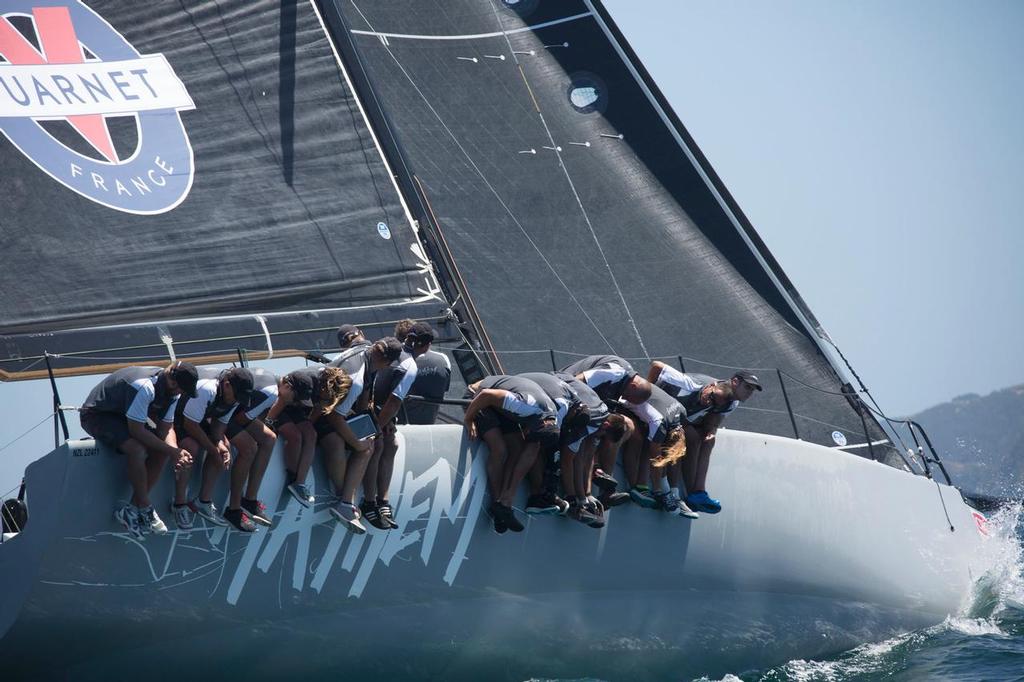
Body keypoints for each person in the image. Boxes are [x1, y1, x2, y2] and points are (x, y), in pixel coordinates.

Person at [79, 362, 198, 539]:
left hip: (123, 416)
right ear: (173, 382)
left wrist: (175, 451)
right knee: (137, 450)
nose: (182, 393)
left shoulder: (173, 392)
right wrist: (174, 452)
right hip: (98, 415)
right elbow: (136, 431)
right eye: (182, 389)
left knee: (162, 451)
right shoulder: (144, 386)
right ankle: (144, 505)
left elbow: (166, 428)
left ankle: (132, 509)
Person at [648, 362, 762, 513]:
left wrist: (711, 431)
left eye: (752, 390)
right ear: (735, 381)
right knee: (684, 436)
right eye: (747, 387)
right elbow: (657, 366)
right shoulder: (694, 384)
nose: (749, 393)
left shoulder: (732, 403)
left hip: (678, 418)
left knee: (704, 440)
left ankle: (697, 492)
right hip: (657, 409)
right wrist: (647, 394)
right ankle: (672, 491)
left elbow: (714, 421)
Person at [322, 336, 403, 533]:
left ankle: (350, 499)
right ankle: (346, 502)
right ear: (387, 363)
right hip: (318, 411)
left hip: (325, 405)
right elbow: (333, 417)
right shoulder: (357, 378)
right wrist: (357, 443)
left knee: (371, 437)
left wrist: (373, 424)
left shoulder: (366, 352)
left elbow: (363, 400)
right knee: (365, 447)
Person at [463, 374, 560, 534]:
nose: (528, 432)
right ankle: (497, 503)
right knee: (500, 449)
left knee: (519, 449)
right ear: (542, 423)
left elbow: (535, 443)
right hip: (479, 397)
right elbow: (486, 395)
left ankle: (504, 503)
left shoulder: (555, 418)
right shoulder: (526, 405)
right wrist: (469, 419)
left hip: (504, 408)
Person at [361, 321, 433, 530]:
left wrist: (382, 420)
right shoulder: (409, 365)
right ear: (425, 346)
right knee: (380, 444)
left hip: (365, 406)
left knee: (390, 444)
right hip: (365, 409)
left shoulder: (391, 349)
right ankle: (369, 502)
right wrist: (375, 428)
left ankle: (382, 501)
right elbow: (393, 402)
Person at [170, 367, 254, 531]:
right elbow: (190, 425)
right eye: (237, 396)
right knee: (190, 448)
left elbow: (218, 428)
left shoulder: (235, 398)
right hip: (178, 419)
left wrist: (220, 445)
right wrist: (213, 449)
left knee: (225, 449)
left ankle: (203, 502)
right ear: (227, 385)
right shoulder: (207, 389)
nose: (237, 400)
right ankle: (179, 504)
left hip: (197, 421)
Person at [563, 354, 652, 505]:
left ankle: (599, 488)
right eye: (628, 397)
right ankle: (578, 495)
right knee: (587, 441)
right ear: (634, 386)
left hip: (592, 406)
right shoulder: (614, 372)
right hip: (570, 397)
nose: (626, 399)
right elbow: (576, 382)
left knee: (626, 427)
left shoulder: (624, 382)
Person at [263, 366, 352, 508]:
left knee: (311, 435)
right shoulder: (306, 382)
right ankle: (292, 476)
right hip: (276, 403)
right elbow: (282, 399)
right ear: (325, 387)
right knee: (295, 436)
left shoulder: (324, 390)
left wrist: (306, 426)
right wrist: (268, 423)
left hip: (293, 406)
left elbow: (317, 410)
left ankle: (300, 483)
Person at [617, 383, 698, 518]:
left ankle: (657, 489)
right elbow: (656, 461)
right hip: (621, 400)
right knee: (640, 439)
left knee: (651, 443)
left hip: (638, 393)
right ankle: (635, 487)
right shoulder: (659, 425)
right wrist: (658, 490)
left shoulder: (681, 411)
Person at [223, 367, 280, 528]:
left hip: (234, 409)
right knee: (249, 448)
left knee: (269, 438)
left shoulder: (270, 386)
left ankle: (250, 500)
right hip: (225, 412)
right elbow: (241, 419)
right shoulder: (271, 394)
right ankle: (233, 509)